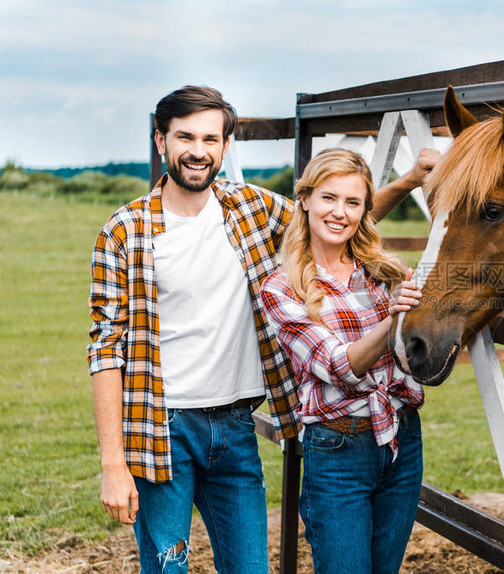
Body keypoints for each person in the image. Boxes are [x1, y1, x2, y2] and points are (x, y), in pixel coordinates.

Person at [87, 85, 438, 573]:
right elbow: (106, 351)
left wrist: (409, 182)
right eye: (184, 137)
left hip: (235, 427)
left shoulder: (249, 209)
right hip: (164, 429)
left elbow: (333, 218)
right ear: (160, 141)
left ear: (224, 147)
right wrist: (112, 465)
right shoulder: (124, 231)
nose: (197, 151)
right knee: (168, 567)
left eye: (210, 139)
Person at [261, 148, 425, 574]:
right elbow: (339, 366)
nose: (339, 212)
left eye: (353, 202)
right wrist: (393, 320)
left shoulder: (382, 272)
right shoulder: (281, 288)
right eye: (329, 198)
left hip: (401, 440)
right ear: (305, 199)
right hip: (338, 452)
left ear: (364, 212)